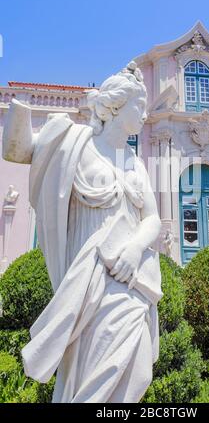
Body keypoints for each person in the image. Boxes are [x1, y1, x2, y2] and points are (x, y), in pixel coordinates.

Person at [2, 62, 162, 403]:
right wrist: (18, 106)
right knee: (95, 370)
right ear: (117, 106)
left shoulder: (134, 161)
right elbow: (17, 151)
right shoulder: (75, 143)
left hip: (132, 279)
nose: (146, 115)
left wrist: (135, 249)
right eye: (140, 106)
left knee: (138, 372)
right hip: (90, 279)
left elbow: (153, 219)